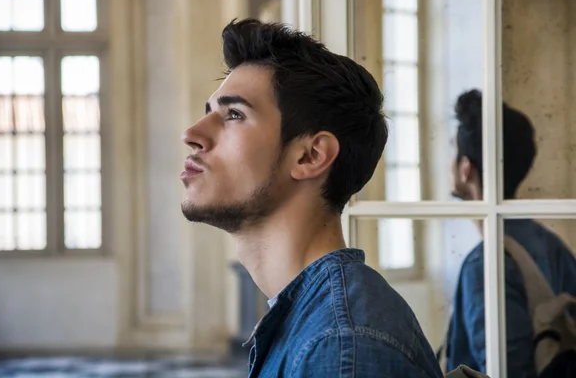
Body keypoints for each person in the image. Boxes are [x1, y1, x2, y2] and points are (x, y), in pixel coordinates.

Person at [180, 19, 443, 377]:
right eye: (209, 112)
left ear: (310, 156)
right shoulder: (317, 321)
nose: (192, 134)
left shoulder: (340, 347)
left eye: (234, 114)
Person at [446, 89, 576, 377]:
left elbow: (505, 371)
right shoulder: (552, 244)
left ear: (466, 168)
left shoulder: (484, 264)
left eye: (452, 149)